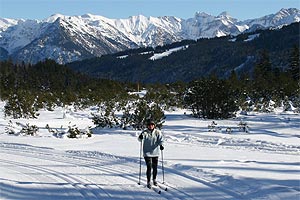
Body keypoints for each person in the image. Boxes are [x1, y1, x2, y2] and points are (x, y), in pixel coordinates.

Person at [138, 120, 164, 188]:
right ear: (147, 126)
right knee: (149, 167)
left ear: (154, 125)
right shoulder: (145, 132)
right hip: (147, 152)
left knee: (155, 167)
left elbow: (160, 139)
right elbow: (140, 138)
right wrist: (140, 137)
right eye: (149, 125)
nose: (151, 126)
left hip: (155, 152)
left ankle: (154, 180)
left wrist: (161, 145)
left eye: (152, 124)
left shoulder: (157, 132)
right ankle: (148, 181)